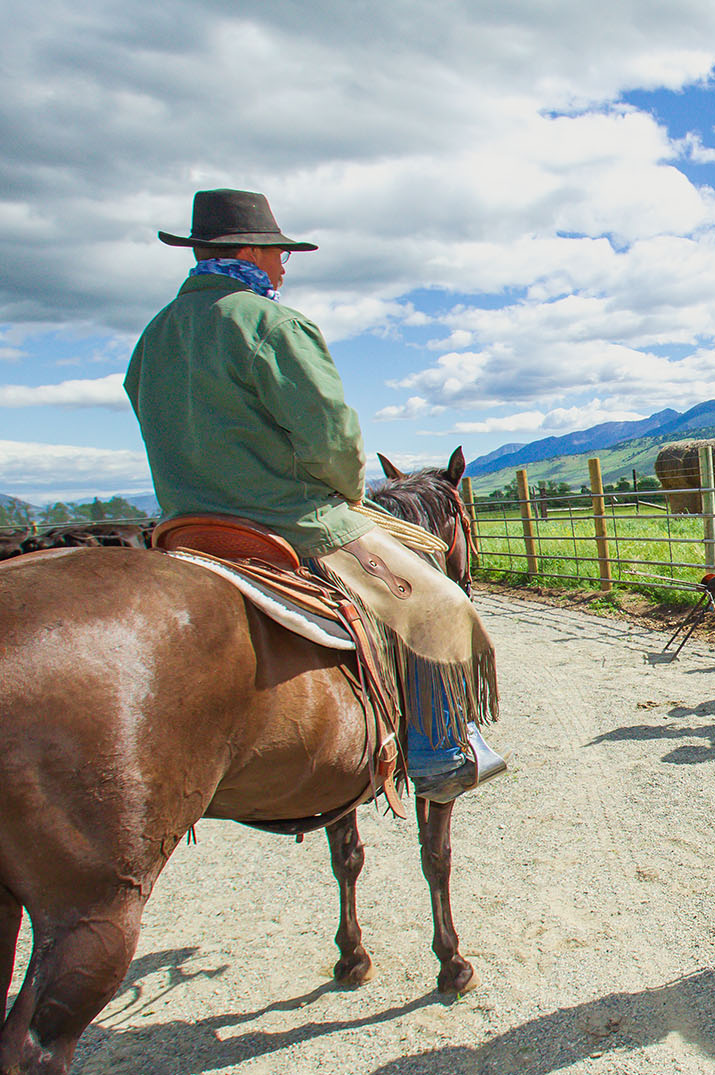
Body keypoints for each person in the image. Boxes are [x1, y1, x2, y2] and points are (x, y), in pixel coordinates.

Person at [125, 188, 504, 801]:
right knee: (437, 603)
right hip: (289, 520)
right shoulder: (273, 323)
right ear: (248, 249)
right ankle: (437, 750)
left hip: (187, 524)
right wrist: (349, 490)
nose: (283, 264)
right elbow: (331, 437)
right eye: (278, 252)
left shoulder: (155, 336)